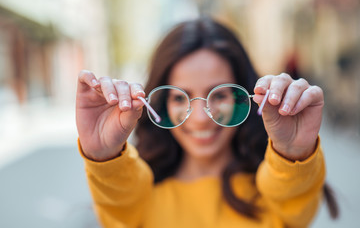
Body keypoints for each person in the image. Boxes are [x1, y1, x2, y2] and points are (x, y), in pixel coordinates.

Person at [76, 17, 338, 227]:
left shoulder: (276, 186)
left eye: (220, 94)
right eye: (180, 97)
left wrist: (293, 152)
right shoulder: (136, 194)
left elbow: (296, 205)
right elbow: (118, 203)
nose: (200, 119)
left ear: (243, 95)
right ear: (160, 103)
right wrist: (103, 158)